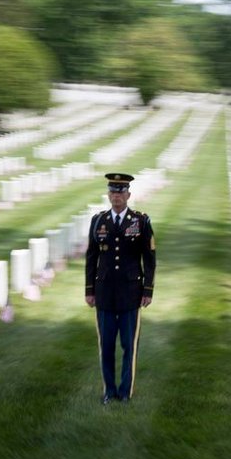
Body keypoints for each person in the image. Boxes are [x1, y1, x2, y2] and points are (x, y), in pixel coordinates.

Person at [85, 172, 156, 405]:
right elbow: (91, 257)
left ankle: (125, 392)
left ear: (128, 195)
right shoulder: (98, 220)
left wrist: (147, 290)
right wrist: (89, 289)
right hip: (104, 293)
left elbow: (149, 257)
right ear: (108, 194)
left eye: (121, 191)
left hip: (130, 293)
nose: (117, 196)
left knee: (129, 346)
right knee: (106, 346)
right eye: (113, 191)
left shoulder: (141, 221)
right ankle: (109, 390)